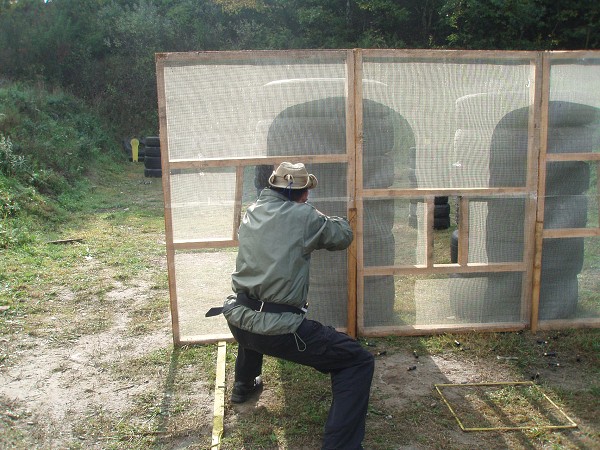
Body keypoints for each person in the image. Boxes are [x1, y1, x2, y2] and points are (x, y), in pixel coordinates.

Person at [221, 161, 374, 450]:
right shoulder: (305, 217)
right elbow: (342, 236)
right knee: (358, 361)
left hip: (238, 319)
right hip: (278, 331)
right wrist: (329, 217)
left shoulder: (252, 212)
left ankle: (244, 386)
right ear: (304, 194)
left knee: (256, 311)